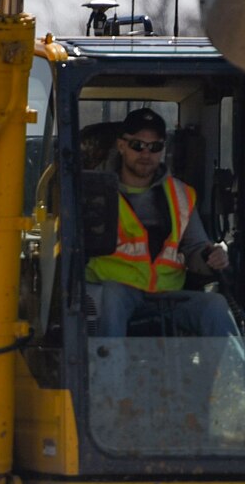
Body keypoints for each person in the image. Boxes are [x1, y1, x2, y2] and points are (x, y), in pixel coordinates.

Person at [83, 108, 235, 339]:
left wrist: (213, 256)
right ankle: (108, 373)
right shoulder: (93, 192)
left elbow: (196, 249)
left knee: (214, 306)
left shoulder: (181, 194)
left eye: (155, 147)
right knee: (111, 297)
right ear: (121, 146)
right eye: (137, 145)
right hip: (115, 291)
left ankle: (232, 374)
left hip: (168, 296)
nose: (146, 153)